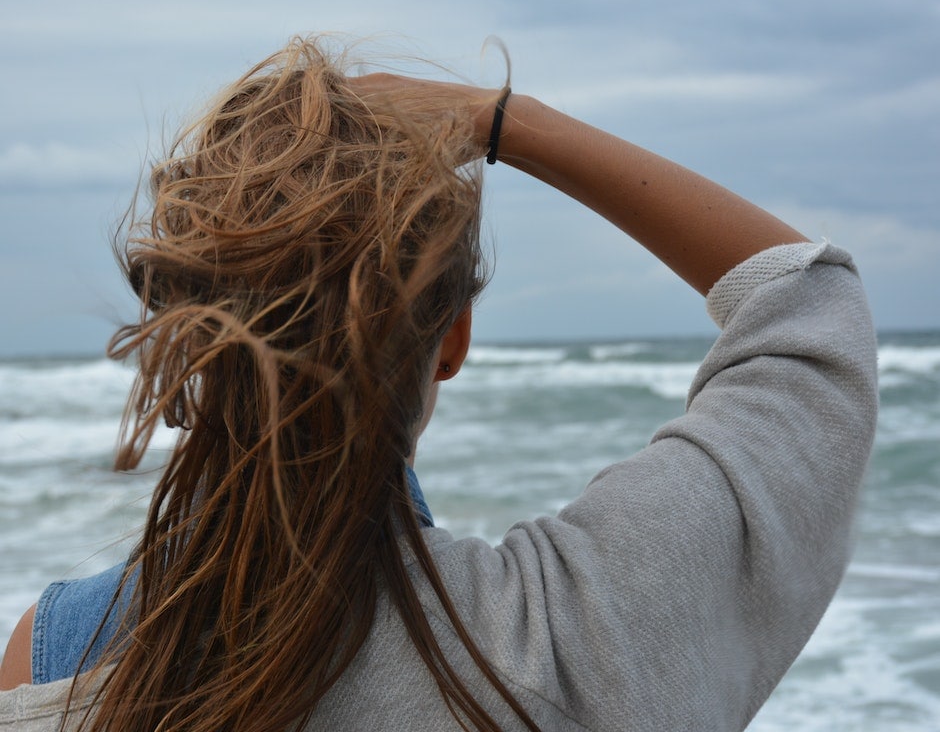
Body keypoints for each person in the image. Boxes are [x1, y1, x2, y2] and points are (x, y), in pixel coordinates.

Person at [0, 36, 877, 731]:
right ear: (451, 338)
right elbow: (809, 308)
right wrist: (503, 122)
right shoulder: (571, 637)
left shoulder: (57, 664)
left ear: (190, 341)